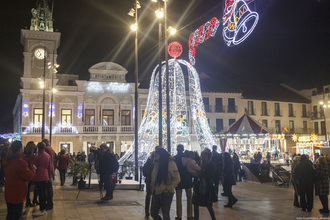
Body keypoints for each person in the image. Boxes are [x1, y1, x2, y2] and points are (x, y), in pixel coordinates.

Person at [4, 141, 35, 220]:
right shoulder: (20, 162)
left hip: (9, 192)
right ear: (20, 149)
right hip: (17, 193)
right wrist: (33, 170)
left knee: (10, 214)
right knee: (17, 215)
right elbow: (28, 176)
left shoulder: (8, 160)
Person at [150, 147, 180, 220]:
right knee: (153, 213)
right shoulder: (156, 163)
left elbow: (177, 178)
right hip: (156, 191)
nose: (155, 155)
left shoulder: (170, 163)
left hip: (166, 193)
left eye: (157, 153)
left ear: (161, 154)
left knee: (165, 214)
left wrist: (169, 188)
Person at [192, 149, 217, 220]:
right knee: (196, 205)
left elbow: (210, 176)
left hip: (207, 188)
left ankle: (213, 218)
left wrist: (200, 173)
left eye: (204, 155)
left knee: (209, 206)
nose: (202, 157)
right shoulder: (200, 162)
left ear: (208, 156)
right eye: (202, 155)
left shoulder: (211, 165)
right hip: (198, 187)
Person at [174, 145, 194, 220]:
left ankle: (179, 216)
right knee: (189, 198)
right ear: (183, 149)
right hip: (187, 179)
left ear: (177, 149)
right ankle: (190, 215)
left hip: (178, 180)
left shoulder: (174, 158)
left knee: (178, 199)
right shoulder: (187, 157)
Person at [33, 142, 52, 216]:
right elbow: (50, 167)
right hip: (46, 175)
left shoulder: (37, 156)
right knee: (44, 193)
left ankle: (42, 208)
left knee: (40, 193)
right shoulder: (47, 156)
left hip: (38, 176)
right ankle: (44, 208)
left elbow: (35, 166)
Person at [24, 141, 38, 207]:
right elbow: (32, 163)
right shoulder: (32, 155)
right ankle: (32, 200)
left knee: (28, 188)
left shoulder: (25, 154)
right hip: (31, 172)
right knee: (35, 187)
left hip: (28, 172)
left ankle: (28, 201)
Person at [42, 139, 54, 210]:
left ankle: (49, 204)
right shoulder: (51, 149)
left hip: (47, 171)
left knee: (47, 189)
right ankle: (50, 203)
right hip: (50, 170)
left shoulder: (46, 149)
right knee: (49, 188)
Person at [143, 152, 155, 218]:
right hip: (153, 181)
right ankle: (153, 210)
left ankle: (147, 211)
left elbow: (144, 170)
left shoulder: (148, 161)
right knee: (154, 196)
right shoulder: (156, 163)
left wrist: (147, 175)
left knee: (148, 196)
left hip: (149, 181)